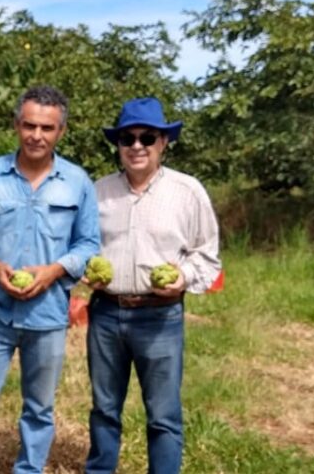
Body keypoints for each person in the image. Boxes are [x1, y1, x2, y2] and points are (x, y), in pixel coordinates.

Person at [0, 86, 101, 474]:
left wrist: (54, 271)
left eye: (47, 128)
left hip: (48, 315)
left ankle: (29, 470)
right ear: (16, 125)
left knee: (39, 409)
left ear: (61, 132)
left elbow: (88, 243)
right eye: (29, 125)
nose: (37, 135)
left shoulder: (77, 182)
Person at [83, 97, 221, 474]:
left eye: (147, 137)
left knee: (162, 415)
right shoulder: (98, 192)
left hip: (159, 316)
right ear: (118, 145)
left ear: (163, 142)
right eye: (128, 138)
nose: (137, 146)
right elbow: (81, 247)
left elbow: (207, 254)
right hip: (107, 313)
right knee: (104, 409)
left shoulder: (187, 191)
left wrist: (184, 278)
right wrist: (85, 269)